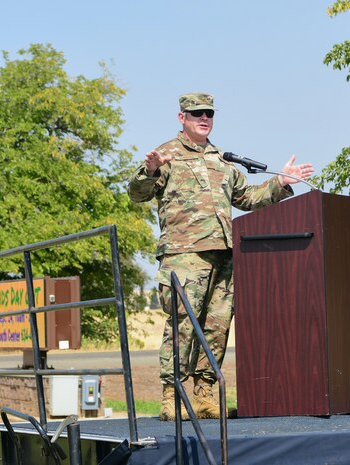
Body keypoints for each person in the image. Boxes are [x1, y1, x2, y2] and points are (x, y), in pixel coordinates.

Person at [128, 92, 314, 421]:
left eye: (209, 113)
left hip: (224, 258)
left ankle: (203, 393)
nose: (204, 118)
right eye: (196, 113)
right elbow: (136, 194)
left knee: (216, 329)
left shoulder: (222, 160)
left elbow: (250, 198)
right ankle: (173, 395)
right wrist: (149, 171)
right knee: (183, 327)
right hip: (184, 256)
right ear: (181, 117)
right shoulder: (165, 155)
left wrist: (281, 183)